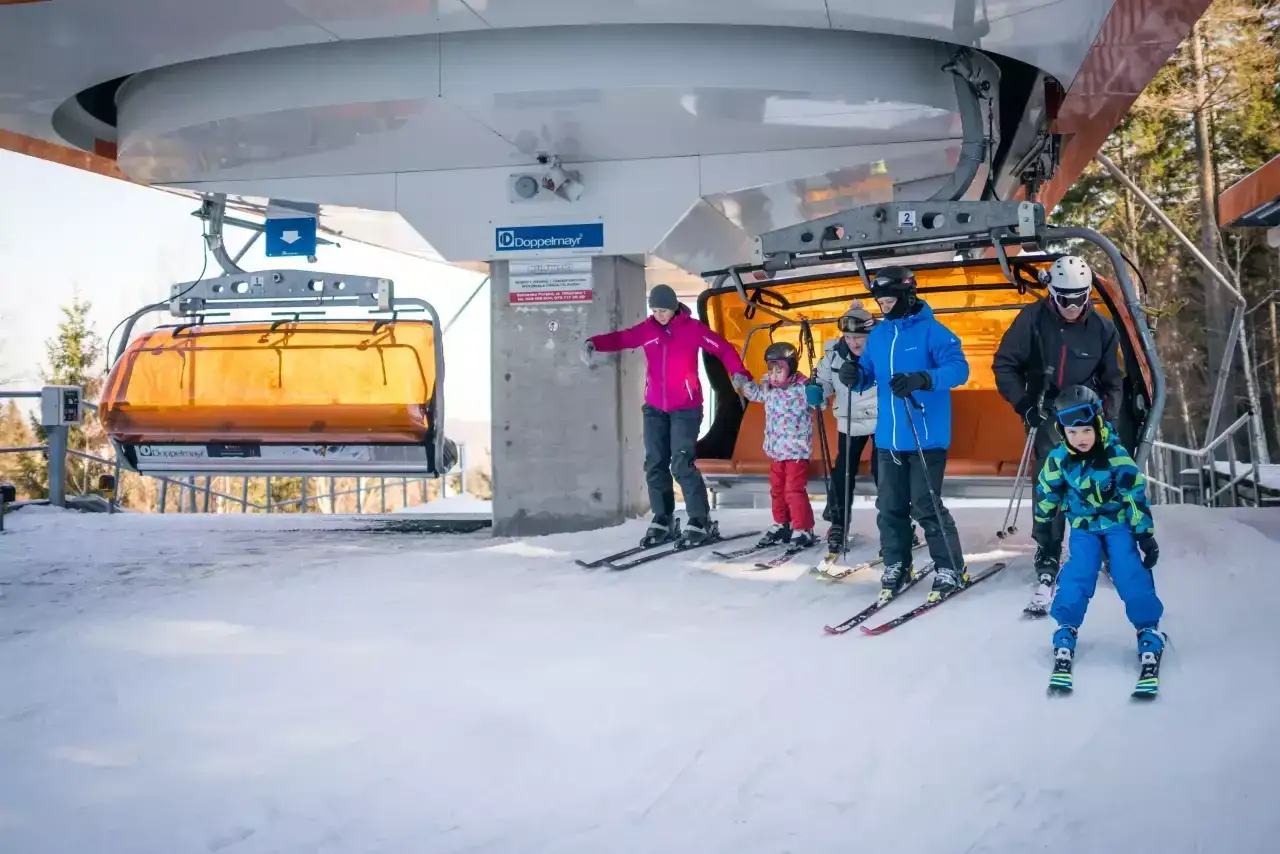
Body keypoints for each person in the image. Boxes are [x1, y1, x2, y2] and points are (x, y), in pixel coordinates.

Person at [992, 255, 1125, 612]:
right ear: (1052, 292)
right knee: (1052, 481)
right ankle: (1048, 552)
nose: (1071, 306)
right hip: (1046, 408)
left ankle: (1108, 549)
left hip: (1087, 411)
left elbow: (1113, 380)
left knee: (1098, 481)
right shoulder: (1033, 319)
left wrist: (1108, 420)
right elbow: (1004, 364)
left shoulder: (1101, 328)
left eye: (1079, 298)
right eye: (1064, 298)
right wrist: (1024, 404)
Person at [838, 265, 971, 603]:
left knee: (926, 506)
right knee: (890, 506)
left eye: (887, 301)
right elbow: (869, 372)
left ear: (905, 295)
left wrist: (923, 379)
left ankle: (951, 567)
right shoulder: (880, 336)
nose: (882, 306)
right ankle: (898, 563)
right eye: (879, 302)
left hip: (926, 435)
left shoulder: (933, 331)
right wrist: (855, 374)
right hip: (889, 438)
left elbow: (959, 369)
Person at [583, 284, 750, 548]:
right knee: (654, 463)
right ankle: (663, 518)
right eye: (656, 310)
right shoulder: (647, 330)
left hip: (686, 408)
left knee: (681, 463)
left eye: (664, 310)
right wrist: (595, 343)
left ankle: (700, 520)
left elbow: (723, 348)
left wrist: (739, 372)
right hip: (654, 409)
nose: (660, 315)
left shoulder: (692, 330)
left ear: (674, 308)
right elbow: (622, 339)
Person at [1032, 385, 1164, 683]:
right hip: (1083, 529)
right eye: (1073, 433)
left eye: (1086, 431)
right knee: (1078, 573)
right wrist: (1042, 523)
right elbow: (1047, 491)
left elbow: (1134, 495)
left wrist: (1144, 534)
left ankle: (1148, 627)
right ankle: (1066, 625)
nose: (1080, 439)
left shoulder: (1116, 456)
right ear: (1062, 431)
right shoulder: (1059, 459)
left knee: (1129, 572)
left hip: (1118, 526)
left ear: (1099, 425)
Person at [731, 341, 821, 550]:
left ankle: (803, 527)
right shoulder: (768, 388)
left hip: (796, 451)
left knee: (793, 490)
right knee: (777, 490)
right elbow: (753, 394)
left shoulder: (802, 388)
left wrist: (818, 392)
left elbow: (820, 402)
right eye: (771, 370)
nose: (774, 375)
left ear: (791, 368)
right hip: (776, 450)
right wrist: (743, 382)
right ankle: (783, 523)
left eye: (779, 370)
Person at [814, 302, 878, 553]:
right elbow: (823, 381)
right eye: (850, 337)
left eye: (859, 337)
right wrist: (817, 391)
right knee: (843, 470)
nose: (854, 343)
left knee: (883, 470)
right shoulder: (833, 354)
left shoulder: (882, 349)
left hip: (881, 417)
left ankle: (896, 525)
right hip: (849, 419)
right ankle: (839, 523)